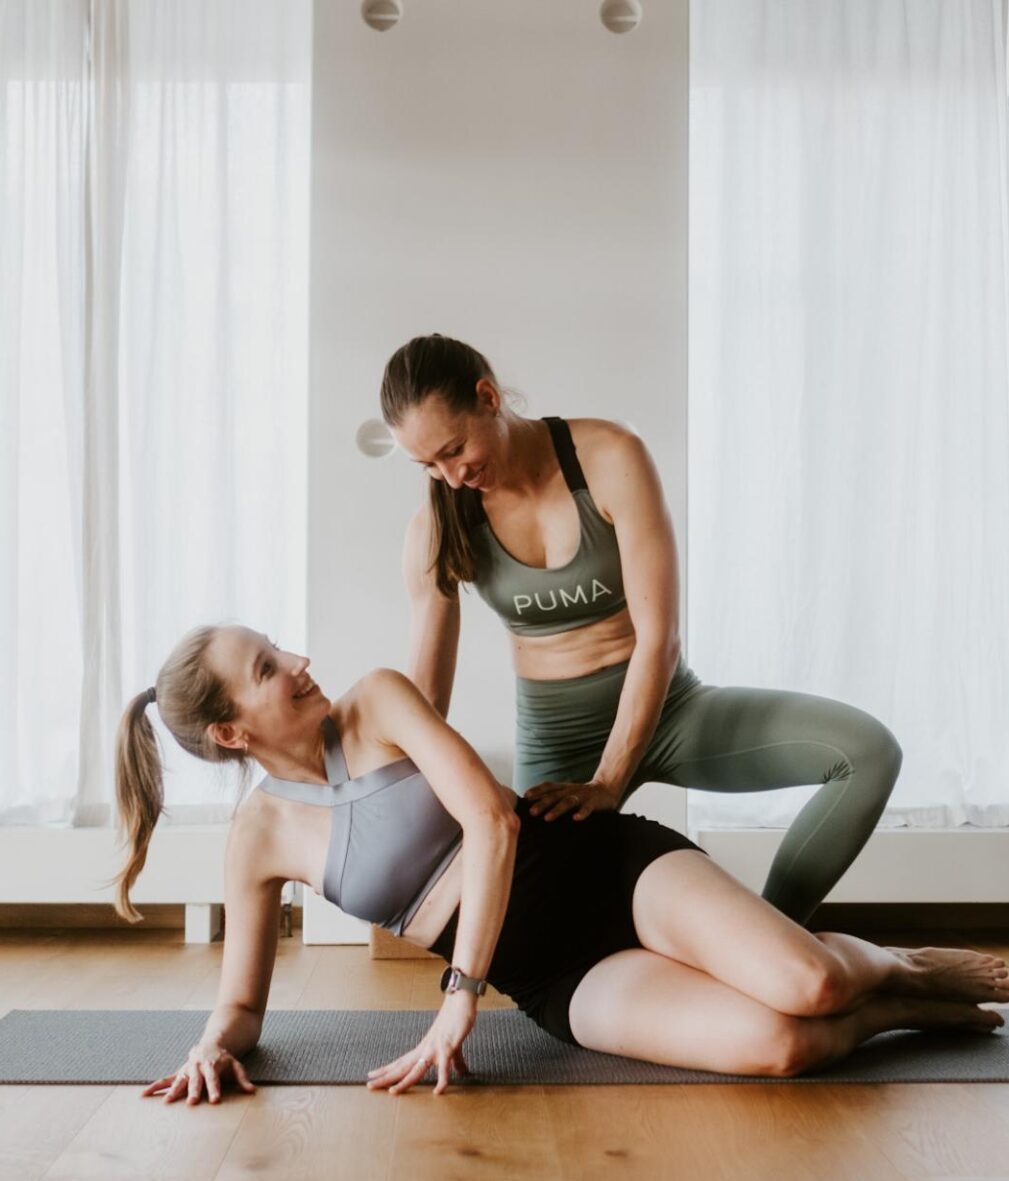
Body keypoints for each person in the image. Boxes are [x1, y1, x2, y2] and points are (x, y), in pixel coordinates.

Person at [113, 624, 1009, 1103]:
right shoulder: (258, 841)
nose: (302, 660)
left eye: (281, 647)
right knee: (780, 1045)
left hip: (603, 871)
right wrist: (208, 1048)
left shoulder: (378, 701)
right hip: (551, 972)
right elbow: (240, 1006)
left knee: (809, 984)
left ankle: (890, 962)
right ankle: (894, 1007)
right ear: (232, 731)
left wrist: (459, 995)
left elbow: (494, 827)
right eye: (271, 667)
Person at [385, 334, 907, 926]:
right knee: (551, 938)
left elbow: (660, 637)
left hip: (670, 713)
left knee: (866, 753)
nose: (450, 477)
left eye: (454, 450)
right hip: (557, 750)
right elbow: (424, 701)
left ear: (488, 396)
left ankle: (780, 935)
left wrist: (611, 780)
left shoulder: (610, 456)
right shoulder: (437, 522)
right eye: (427, 464)